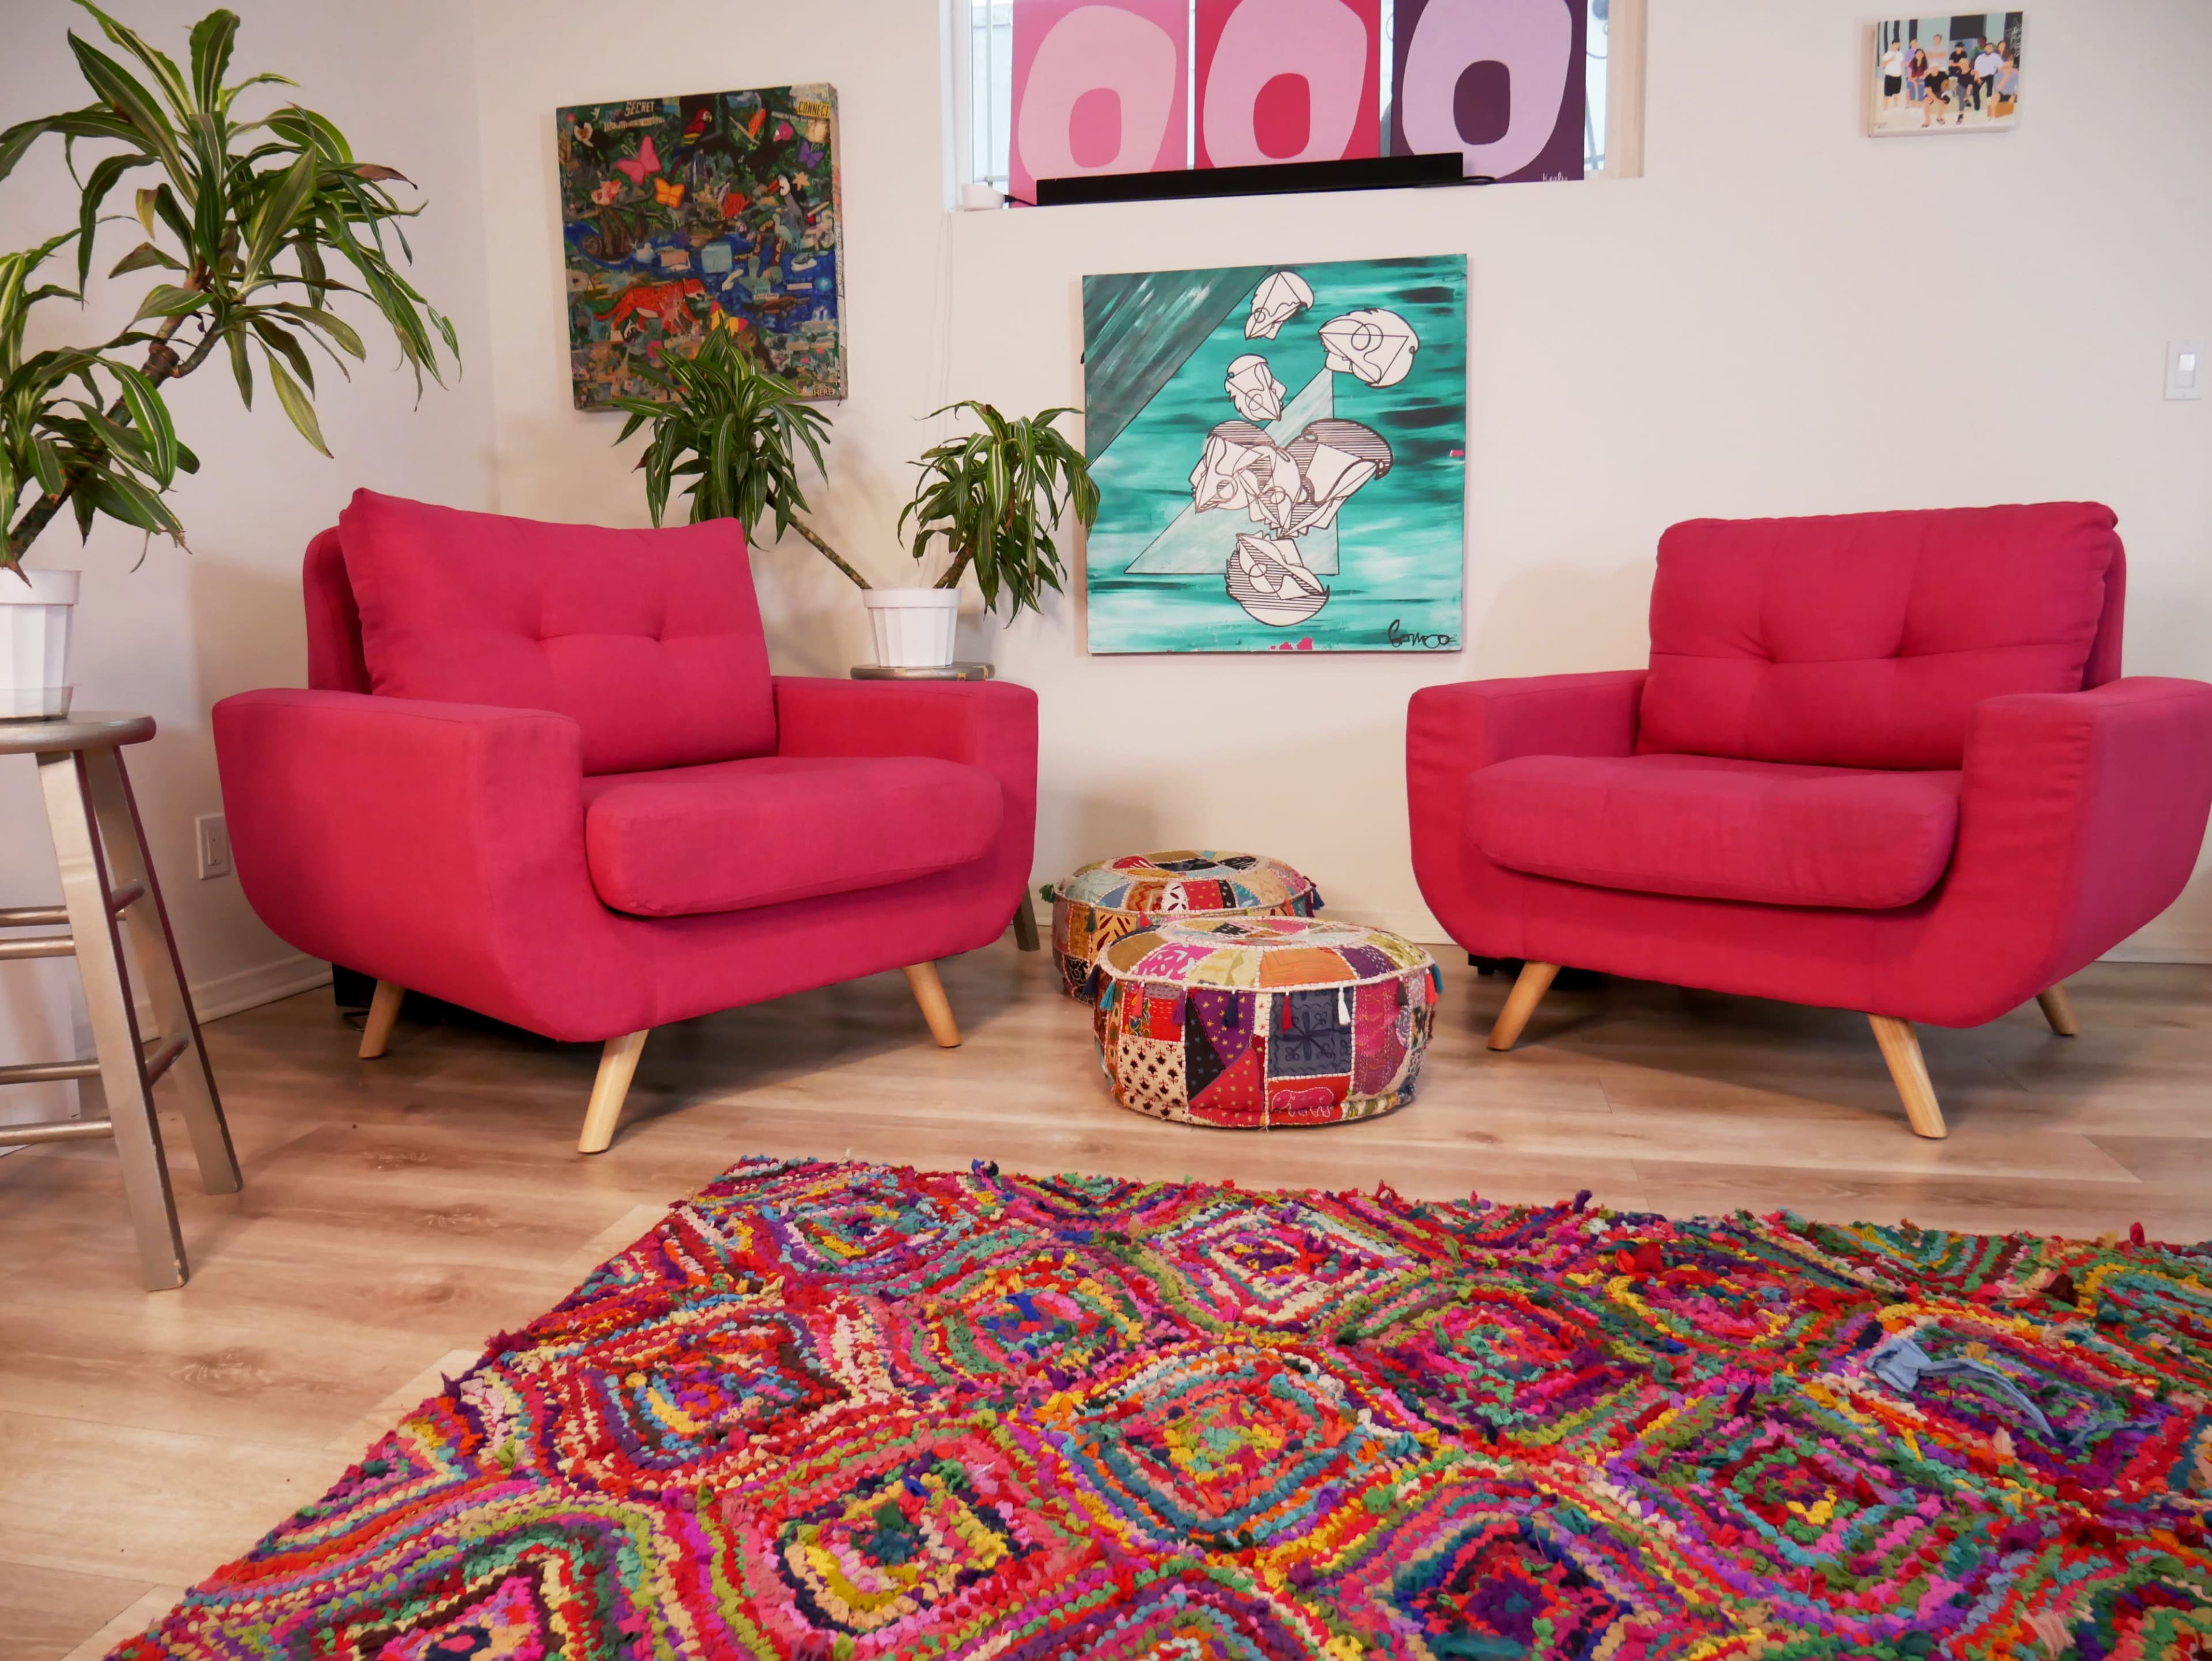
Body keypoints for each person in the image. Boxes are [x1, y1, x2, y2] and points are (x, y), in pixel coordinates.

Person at [1921, 35, 1950, 126]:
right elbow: (1929, 91)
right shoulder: (1929, 76)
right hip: (1932, 92)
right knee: (1926, 102)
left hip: (1941, 90)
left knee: (1946, 99)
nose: (1937, 40)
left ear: (1940, 40)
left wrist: (1942, 97)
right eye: (1935, 38)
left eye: (1938, 39)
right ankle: (1927, 121)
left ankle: (1940, 117)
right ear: (1933, 39)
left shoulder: (1943, 74)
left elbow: (1943, 55)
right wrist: (1937, 100)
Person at [1974, 39, 2003, 113]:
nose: (1989, 49)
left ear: (1993, 49)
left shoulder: (1996, 57)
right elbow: (1976, 70)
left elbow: (2001, 67)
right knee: (1975, 90)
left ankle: (1989, 108)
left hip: (1991, 75)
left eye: (1991, 48)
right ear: (1985, 48)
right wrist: (1978, 79)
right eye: (1988, 47)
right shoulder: (1980, 58)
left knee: (1989, 90)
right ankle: (1977, 108)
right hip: (1981, 76)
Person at [1882, 37, 1906, 111]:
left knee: (1896, 92)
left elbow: (1902, 63)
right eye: (1895, 45)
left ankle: (1895, 107)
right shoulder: (1887, 54)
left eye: (1898, 45)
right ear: (1892, 45)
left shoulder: (1900, 54)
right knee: (1887, 94)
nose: (1897, 47)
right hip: (1889, 76)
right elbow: (1882, 65)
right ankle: (1886, 109)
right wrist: (1890, 60)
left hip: (1898, 76)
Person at [1907, 36, 1927, 104]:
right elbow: (1909, 76)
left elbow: (1925, 75)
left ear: (1923, 55)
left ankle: (1920, 102)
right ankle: (1913, 102)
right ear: (1915, 55)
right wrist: (1914, 81)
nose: (1919, 55)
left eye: (1920, 54)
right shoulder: (1912, 63)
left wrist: (1918, 79)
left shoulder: (1925, 64)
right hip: (1912, 79)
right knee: (1911, 84)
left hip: (1920, 79)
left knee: (1921, 82)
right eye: (1917, 54)